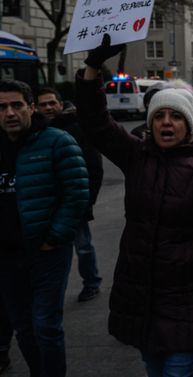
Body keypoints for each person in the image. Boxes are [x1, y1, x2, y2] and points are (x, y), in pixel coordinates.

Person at [77, 55, 193, 377]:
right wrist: (91, 69)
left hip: (186, 298)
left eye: (175, 116)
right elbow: (96, 122)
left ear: (187, 125)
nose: (166, 123)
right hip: (140, 295)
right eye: (159, 116)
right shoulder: (136, 157)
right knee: (153, 368)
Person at [0, 79, 89, 377]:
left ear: (31, 107)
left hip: (46, 251)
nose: (9, 113)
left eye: (16, 105)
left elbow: (76, 193)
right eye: (2, 107)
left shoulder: (56, 141)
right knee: (23, 326)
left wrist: (55, 236)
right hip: (8, 255)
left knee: (45, 325)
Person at [36, 87, 105, 303]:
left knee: (83, 247)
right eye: (43, 104)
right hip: (46, 203)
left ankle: (92, 283)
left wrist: (88, 200)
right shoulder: (34, 130)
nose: (48, 107)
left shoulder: (77, 127)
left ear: (60, 103)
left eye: (51, 103)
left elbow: (94, 167)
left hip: (74, 201)